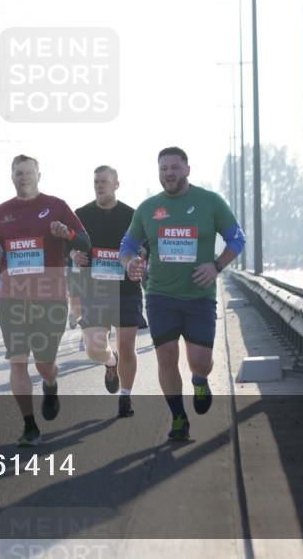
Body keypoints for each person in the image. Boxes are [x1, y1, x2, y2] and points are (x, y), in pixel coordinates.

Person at [119, 147, 245, 441]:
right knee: (166, 357)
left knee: (199, 361)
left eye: (175, 167)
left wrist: (216, 266)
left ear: (187, 169)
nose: (169, 173)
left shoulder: (210, 202)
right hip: (160, 296)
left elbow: (237, 238)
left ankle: (200, 380)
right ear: (158, 172)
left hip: (200, 296)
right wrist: (130, 263)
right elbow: (127, 245)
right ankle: (178, 417)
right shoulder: (148, 208)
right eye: (164, 168)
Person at [0, 155, 90, 447]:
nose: (23, 177)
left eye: (28, 172)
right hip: (12, 298)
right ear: (11, 176)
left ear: (39, 175)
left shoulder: (56, 206)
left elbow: (84, 243)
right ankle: (29, 426)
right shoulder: (1, 212)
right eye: (18, 173)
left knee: (44, 363)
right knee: (18, 362)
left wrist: (65, 233)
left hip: (49, 296)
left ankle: (51, 384)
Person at [71, 166, 145, 418]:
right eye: (96, 182)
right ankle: (110, 362)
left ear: (116, 184)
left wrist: (138, 258)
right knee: (94, 348)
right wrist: (73, 254)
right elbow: (67, 247)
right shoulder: (81, 215)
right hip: (94, 290)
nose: (99, 185)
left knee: (127, 346)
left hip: (126, 289)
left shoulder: (131, 215)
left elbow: (145, 248)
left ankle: (126, 396)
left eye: (104, 181)